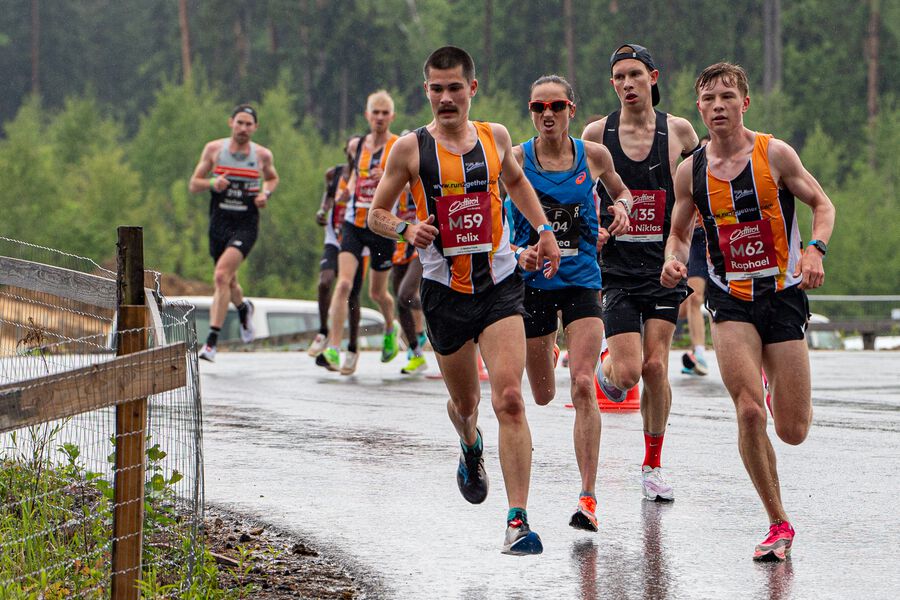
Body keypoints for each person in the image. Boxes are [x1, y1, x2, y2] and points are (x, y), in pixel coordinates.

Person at [367, 46, 561, 555]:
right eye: (437, 89)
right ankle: (470, 443)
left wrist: (543, 230)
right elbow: (375, 215)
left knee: (510, 399)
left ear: (472, 89)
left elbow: (517, 184)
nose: (447, 98)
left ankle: (518, 520)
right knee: (466, 404)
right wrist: (408, 228)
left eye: (456, 88)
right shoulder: (409, 149)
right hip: (444, 293)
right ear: (426, 91)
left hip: (498, 285)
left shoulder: (495, 138)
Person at [661, 62, 835, 560]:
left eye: (727, 97)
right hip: (729, 297)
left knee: (793, 430)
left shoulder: (774, 154)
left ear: (745, 103)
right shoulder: (690, 170)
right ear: (699, 107)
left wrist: (815, 249)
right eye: (709, 98)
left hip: (782, 294)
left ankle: (779, 385)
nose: (718, 106)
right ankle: (778, 523)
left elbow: (822, 204)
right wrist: (673, 261)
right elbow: (678, 233)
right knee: (748, 410)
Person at [509, 74, 631, 532]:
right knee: (542, 395)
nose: (547, 115)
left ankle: (588, 497)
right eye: (539, 106)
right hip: (533, 283)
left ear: (570, 111)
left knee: (583, 385)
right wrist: (514, 250)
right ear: (531, 110)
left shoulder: (593, 156)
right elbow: (489, 210)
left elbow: (622, 192)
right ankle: (549, 350)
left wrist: (621, 209)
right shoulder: (516, 159)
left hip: (582, 280)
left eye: (556, 106)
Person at [582, 44, 700, 502]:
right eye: (618, 77)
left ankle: (652, 465)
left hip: (664, 267)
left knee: (656, 366)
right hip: (614, 270)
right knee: (628, 373)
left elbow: (703, 185)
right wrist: (591, 229)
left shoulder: (679, 131)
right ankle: (604, 372)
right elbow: (574, 189)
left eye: (635, 75)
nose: (627, 84)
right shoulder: (597, 133)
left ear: (653, 76)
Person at [189, 104, 279, 362]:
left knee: (220, 276)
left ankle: (211, 343)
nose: (243, 128)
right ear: (231, 123)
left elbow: (272, 178)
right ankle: (243, 307)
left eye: (248, 124)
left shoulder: (262, 155)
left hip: (246, 224)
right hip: (219, 222)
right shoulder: (214, 150)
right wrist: (212, 183)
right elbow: (194, 184)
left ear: (255, 128)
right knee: (229, 282)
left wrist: (265, 194)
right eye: (239, 123)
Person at [321, 91, 401, 374]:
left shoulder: (398, 146)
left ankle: (391, 327)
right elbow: (354, 175)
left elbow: (409, 185)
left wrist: (389, 180)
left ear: (391, 116)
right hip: (355, 223)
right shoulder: (357, 146)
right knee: (343, 284)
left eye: (384, 113)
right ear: (367, 116)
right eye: (374, 113)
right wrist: (342, 195)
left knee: (377, 292)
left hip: (382, 226)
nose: (379, 118)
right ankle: (333, 347)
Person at [307, 135, 366, 369]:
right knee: (326, 282)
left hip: (358, 240)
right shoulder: (334, 174)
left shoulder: (367, 177)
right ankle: (323, 331)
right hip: (334, 238)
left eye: (358, 151)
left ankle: (352, 347)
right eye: (350, 151)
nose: (354, 155)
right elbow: (327, 199)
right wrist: (321, 212)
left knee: (351, 292)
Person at [680, 135, 712, 376]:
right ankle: (699, 352)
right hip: (697, 239)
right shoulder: (689, 174)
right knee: (694, 298)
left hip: (723, 238)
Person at [391, 187, 429, 375]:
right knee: (401, 303)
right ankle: (416, 353)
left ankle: (442, 312)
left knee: (405, 295)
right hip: (398, 243)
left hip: (420, 244)